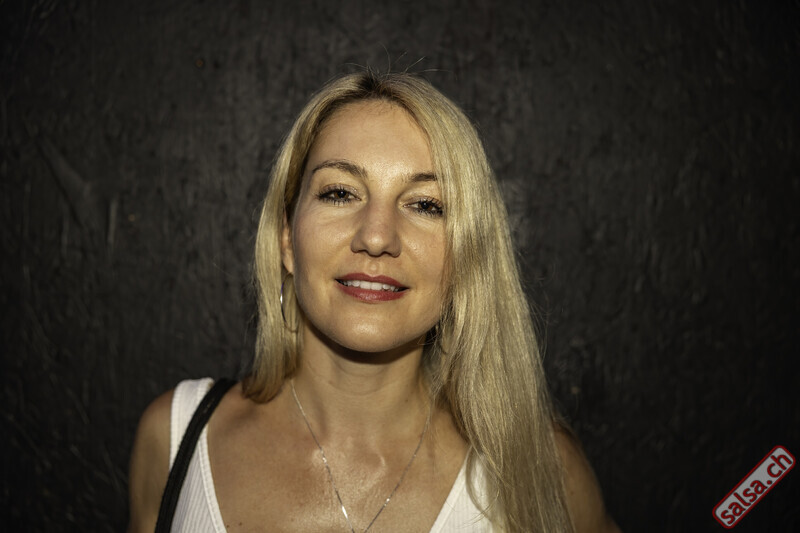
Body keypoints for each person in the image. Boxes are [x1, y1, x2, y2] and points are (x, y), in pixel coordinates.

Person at [128, 71, 620, 532]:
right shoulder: (173, 439)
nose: (377, 236)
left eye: (425, 204)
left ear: (467, 255)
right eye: (340, 193)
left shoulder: (544, 471)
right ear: (286, 237)